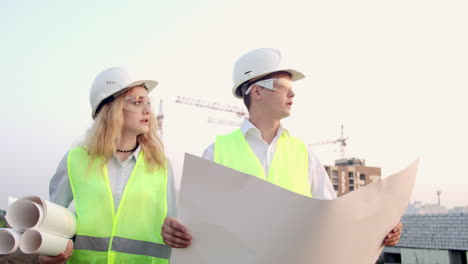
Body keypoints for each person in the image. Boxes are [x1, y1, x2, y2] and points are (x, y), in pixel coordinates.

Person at [161, 48, 402, 248]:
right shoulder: (216, 153)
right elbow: (195, 224)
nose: (293, 93)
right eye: (284, 85)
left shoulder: (303, 155)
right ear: (256, 91)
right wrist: (174, 231)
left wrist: (380, 229)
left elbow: (332, 218)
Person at [39, 67, 176, 264]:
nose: (147, 110)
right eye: (137, 102)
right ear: (110, 108)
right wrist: (46, 255)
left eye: (147, 102)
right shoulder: (75, 160)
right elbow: (51, 224)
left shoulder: (161, 165)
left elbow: (173, 228)